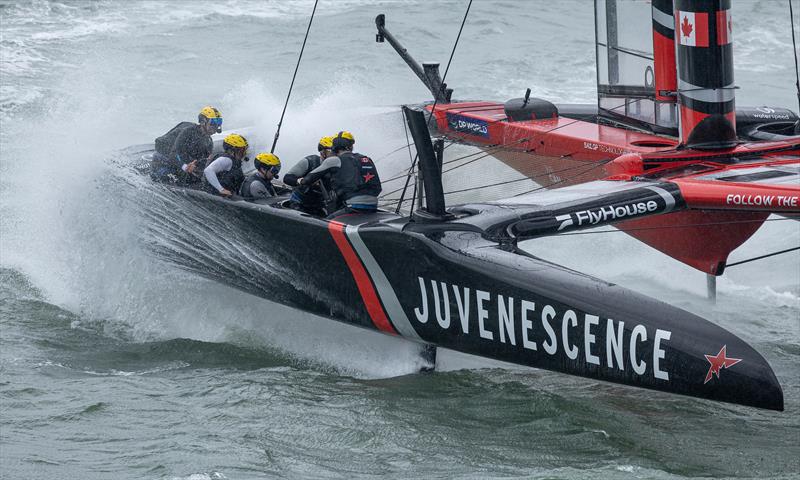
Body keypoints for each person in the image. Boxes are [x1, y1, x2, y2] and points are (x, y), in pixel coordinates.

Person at [298, 131, 382, 217]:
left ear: (335, 146)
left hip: (352, 208)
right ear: (350, 146)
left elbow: (308, 179)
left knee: (324, 221)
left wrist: (301, 181)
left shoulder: (334, 160)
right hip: (373, 207)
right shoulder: (366, 159)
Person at [151, 106, 222, 184]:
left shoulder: (209, 142)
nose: (215, 127)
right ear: (203, 122)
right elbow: (173, 155)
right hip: (164, 160)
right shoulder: (188, 132)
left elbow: (202, 164)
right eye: (213, 123)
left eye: (218, 123)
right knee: (165, 178)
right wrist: (185, 167)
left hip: (182, 163)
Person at [283, 136, 334, 214]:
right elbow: (287, 178)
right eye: (330, 151)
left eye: (335, 151)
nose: (333, 154)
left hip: (319, 204)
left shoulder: (335, 167)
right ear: (322, 152)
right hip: (299, 202)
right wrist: (301, 181)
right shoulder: (310, 162)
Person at [203, 133, 248, 197]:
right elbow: (208, 171)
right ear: (233, 150)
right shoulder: (227, 160)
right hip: (217, 196)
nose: (244, 153)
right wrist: (221, 189)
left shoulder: (234, 161)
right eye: (242, 150)